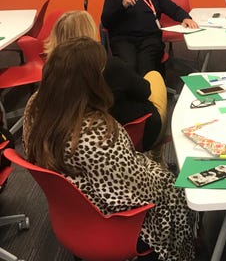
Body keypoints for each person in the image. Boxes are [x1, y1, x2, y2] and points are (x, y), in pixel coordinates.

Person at [23, 37, 197, 261]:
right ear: (93, 80)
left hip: (71, 213)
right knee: (183, 190)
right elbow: (139, 192)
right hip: (118, 223)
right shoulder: (99, 135)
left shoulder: (35, 108)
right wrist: (168, 178)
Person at [45, 10, 166, 155]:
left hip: (72, 143)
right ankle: (157, 152)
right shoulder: (108, 66)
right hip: (127, 135)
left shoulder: (51, 71)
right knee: (154, 76)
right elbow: (144, 91)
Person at [101, 0, 198, 76]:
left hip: (150, 39)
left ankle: (152, 92)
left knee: (147, 67)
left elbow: (173, 9)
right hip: (123, 39)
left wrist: (186, 18)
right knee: (129, 67)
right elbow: (106, 21)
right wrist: (122, 5)